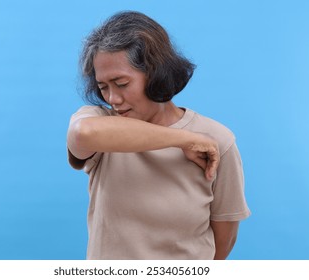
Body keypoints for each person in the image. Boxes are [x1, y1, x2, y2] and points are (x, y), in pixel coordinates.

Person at [67, 11, 250, 260]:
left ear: (155, 73)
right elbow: (82, 134)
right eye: (103, 87)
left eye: (121, 84)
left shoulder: (218, 141)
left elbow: (223, 241)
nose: (112, 98)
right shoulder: (99, 121)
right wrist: (182, 139)